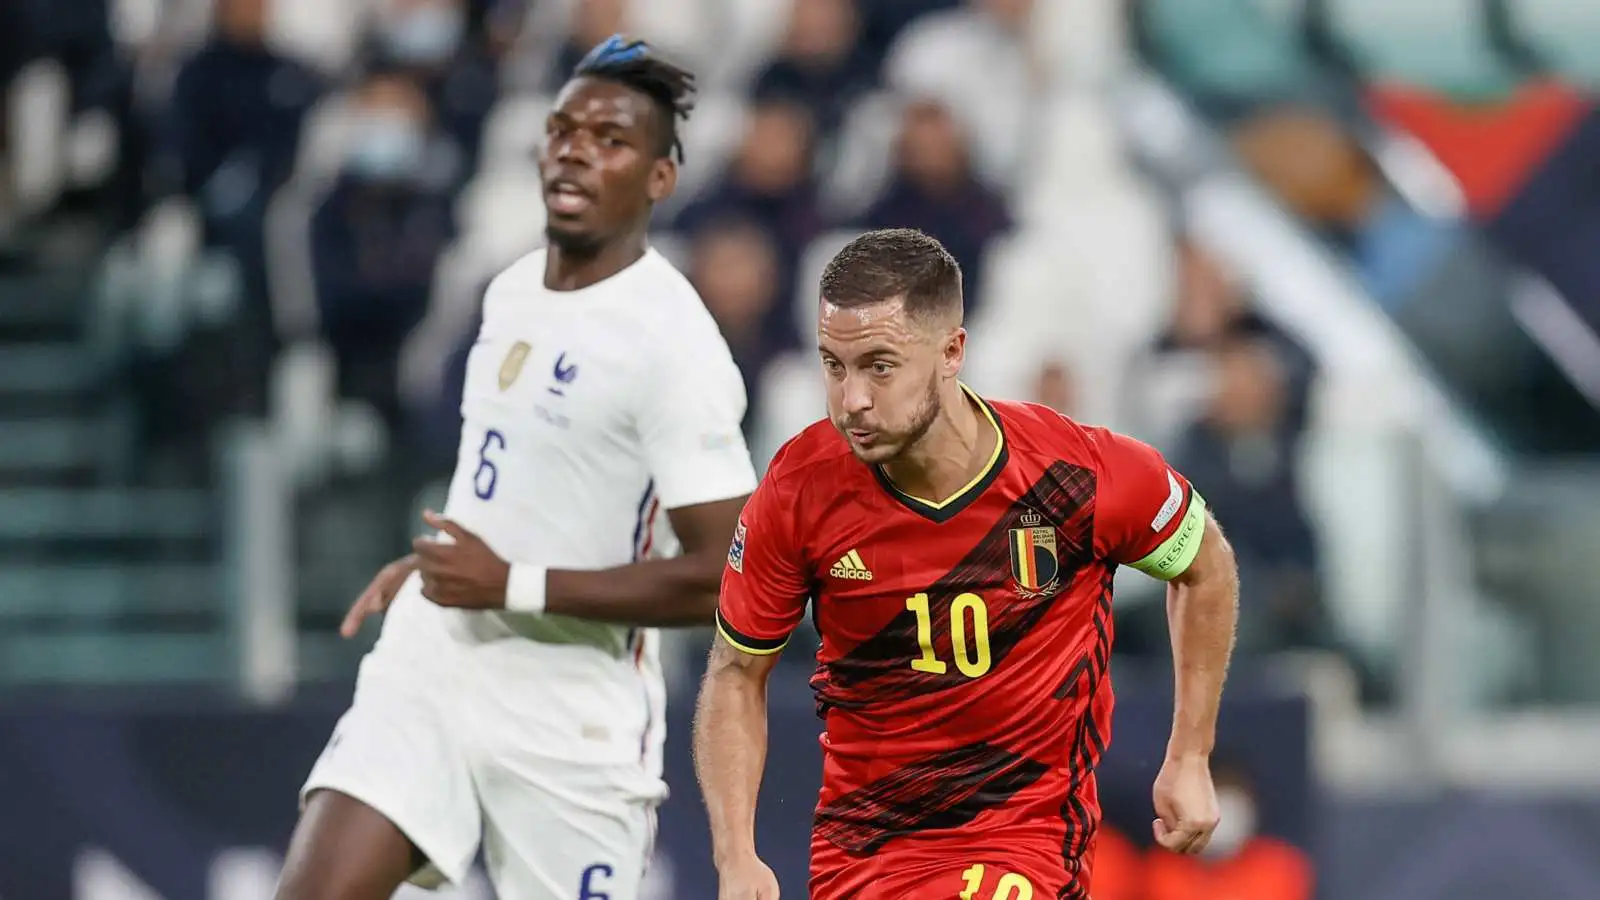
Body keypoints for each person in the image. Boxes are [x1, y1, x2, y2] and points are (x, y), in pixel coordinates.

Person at [275, 35, 758, 900]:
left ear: (659, 178)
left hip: (568, 717)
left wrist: (513, 582)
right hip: (437, 660)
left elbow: (732, 580)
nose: (574, 147)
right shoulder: (507, 292)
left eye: (610, 138)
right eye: (562, 127)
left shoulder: (672, 344)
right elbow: (513, 483)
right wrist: (447, 568)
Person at [693, 228, 1241, 900]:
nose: (852, 399)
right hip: (862, 855)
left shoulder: (1076, 475)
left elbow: (1205, 564)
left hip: (1023, 839)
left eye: (880, 366)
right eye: (834, 365)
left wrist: (1190, 754)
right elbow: (736, 674)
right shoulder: (800, 489)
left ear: (952, 351)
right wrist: (735, 854)